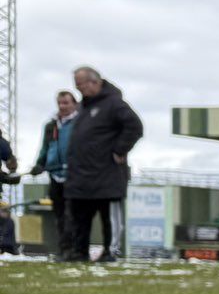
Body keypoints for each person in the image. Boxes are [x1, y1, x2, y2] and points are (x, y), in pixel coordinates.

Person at [66, 68, 143, 263]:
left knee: (108, 217)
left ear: (94, 82)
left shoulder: (114, 104)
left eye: (80, 85)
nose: (78, 89)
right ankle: (79, 251)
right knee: (80, 217)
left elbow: (134, 126)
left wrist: (120, 150)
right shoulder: (83, 107)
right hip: (81, 176)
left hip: (106, 174)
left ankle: (110, 251)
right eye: (76, 85)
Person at [29, 90, 77, 255]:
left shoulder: (79, 123)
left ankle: (73, 247)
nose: (62, 106)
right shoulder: (50, 126)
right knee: (59, 213)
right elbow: (45, 147)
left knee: (72, 213)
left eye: (66, 103)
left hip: (74, 174)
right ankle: (63, 248)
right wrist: (39, 164)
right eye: (60, 103)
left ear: (74, 104)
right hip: (54, 175)